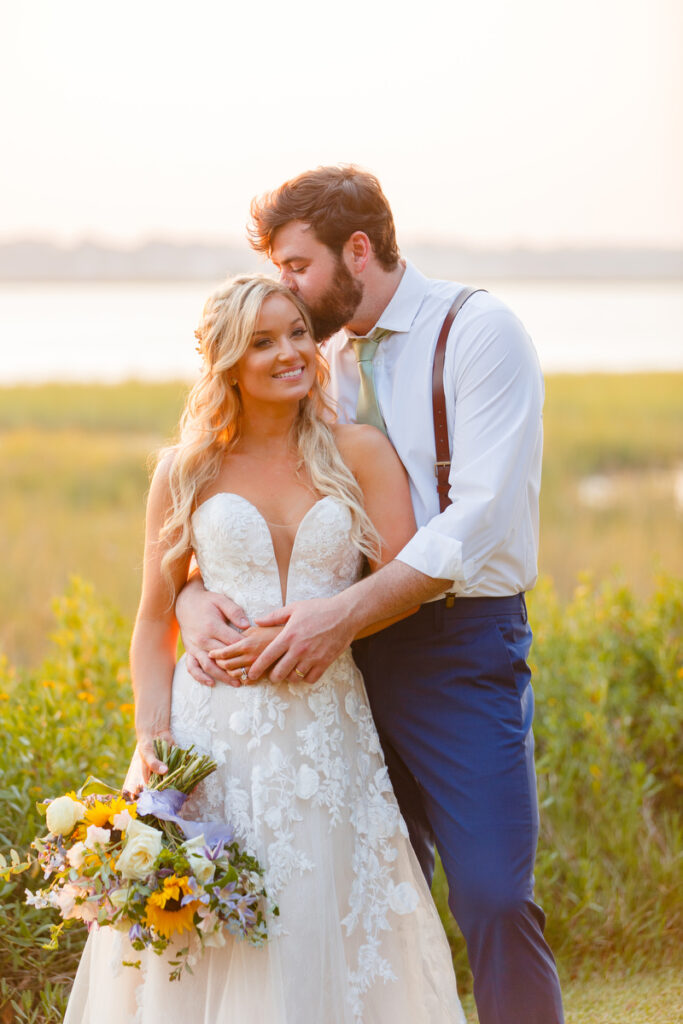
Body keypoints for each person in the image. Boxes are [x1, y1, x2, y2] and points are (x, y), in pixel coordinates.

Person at [177, 166, 565, 1024]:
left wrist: (340, 615)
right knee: (361, 903)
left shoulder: (478, 330)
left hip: (455, 645)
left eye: (296, 264)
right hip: (331, 671)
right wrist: (190, 598)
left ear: (358, 250)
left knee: (494, 895)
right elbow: (263, 507)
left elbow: (481, 520)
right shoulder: (316, 357)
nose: (286, 289)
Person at [64, 274, 464, 1024]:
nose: (290, 353)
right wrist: (154, 736)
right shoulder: (187, 468)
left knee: (333, 916)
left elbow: (408, 583)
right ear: (226, 363)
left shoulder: (360, 452)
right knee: (214, 928)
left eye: (298, 334)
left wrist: (332, 625)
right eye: (262, 341)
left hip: (326, 728)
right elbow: (153, 621)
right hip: (211, 736)